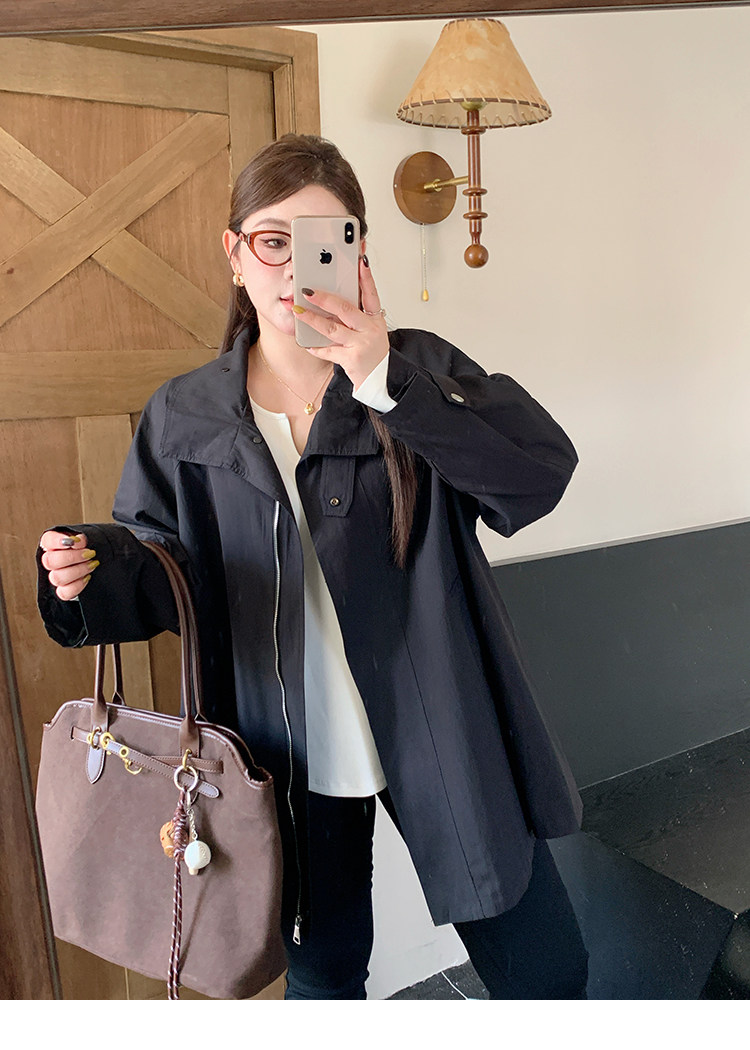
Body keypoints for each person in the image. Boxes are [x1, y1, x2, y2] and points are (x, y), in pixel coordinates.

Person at [37, 134, 588, 1000]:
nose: (296, 266)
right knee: (326, 982)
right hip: (283, 748)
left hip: (443, 720)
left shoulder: (418, 369)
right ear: (235, 254)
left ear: (359, 250)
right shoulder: (186, 413)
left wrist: (381, 377)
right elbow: (166, 571)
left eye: (326, 240)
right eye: (272, 240)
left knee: (545, 969)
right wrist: (92, 571)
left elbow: (534, 479)